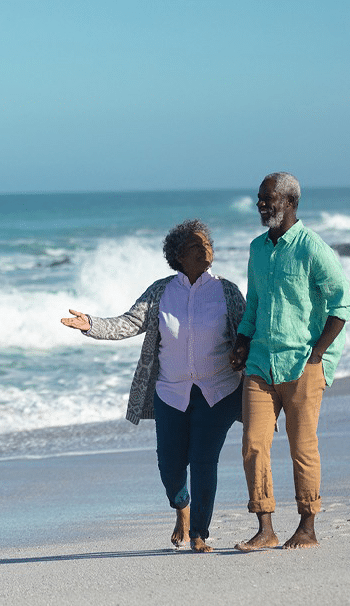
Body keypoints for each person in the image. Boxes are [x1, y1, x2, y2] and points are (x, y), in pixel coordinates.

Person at [62, 219, 245, 553]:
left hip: (218, 391)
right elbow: (130, 322)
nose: (205, 250)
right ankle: (182, 509)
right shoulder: (162, 291)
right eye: (195, 246)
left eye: (207, 244)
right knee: (170, 468)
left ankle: (200, 533)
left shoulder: (226, 291)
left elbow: (246, 331)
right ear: (178, 256)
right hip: (170, 393)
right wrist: (91, 324)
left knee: (205, 461)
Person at [230, 173, 350, 550]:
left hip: (302, 363)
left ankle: (307, 526)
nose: (261, 205)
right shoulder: (257, 249)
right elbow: (253, 305)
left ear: (290, 202)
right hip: (260, 362)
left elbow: (342, 304)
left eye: (268, 199)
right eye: (259, 199)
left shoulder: (312, 248)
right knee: (253, 443)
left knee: (302, 446)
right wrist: (241, 341)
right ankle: (265, 528)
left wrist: (317, 354)